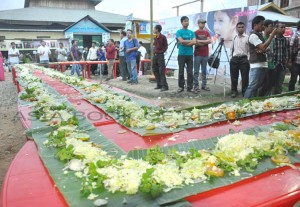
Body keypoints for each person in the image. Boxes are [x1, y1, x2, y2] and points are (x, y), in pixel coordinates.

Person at [244, 15, 277, 99]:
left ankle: (253, 103)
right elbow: (263, 47)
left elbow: (263, 49)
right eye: (262, 24)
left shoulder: (259, 35)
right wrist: (271, 36)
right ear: (255, 25)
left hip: (262, 64)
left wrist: (263, 49)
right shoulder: (253, 36)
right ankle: (244, 103)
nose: (263, 26)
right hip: (257, 66)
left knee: (258, 87)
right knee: (252, 87)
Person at [176, 16, 196, 93]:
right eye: (185, 21)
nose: (186, 22)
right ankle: (181, 87)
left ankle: (190, 87)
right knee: (181, 71)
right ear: (182, 22)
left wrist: (185, 42)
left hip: (190, 54)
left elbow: (194, 42)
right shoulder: (179, 32)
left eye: (187, 21)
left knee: (190, 72)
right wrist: (189, 42)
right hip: (181, 54)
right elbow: (181, 41)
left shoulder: (192, 32)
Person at [229, 22, 250, 98]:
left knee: (245, 77)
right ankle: (234, 91)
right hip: (234, 59)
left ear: (244, 28)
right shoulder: (234, 37)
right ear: (236, 28)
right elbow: (231, 48)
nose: (240, 28)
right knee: (234, 77)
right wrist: (231, 58)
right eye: (239, 27)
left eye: (242, 27)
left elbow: (249, 50)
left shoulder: (247, 37)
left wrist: (248, 59)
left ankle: (244, 92)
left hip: (244, 59)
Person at [193, 18, 211, 94]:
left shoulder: (207, 32)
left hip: (205, 54)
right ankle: (196, 86)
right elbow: (195, 42)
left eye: (204, 23)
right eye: (201, 23)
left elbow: (209, 41)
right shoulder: (195, 33)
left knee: (204, 71)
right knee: (196, 71)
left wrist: (199, 41)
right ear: (198, 24)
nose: (203, 24)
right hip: (197, 54)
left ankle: (204, 85)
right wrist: (204, 42)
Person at [259, 20, 276, 96]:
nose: (272, 28)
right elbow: (259, 50)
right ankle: (260, 98)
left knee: (270, 84)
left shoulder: (272, 38)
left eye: (273, 26)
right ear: (265, 27)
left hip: (272, 64)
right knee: (264, 84)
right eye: (271, 26)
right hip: (264, 65)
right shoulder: (261, 37)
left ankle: (267, 99)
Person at [272, 22, 290, 95]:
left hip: (282, 65)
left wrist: (287, 62)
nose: (283, 29)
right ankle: (271, 98)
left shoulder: (286, 40)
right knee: (272, 83)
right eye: (281, 27)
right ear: (276, 29)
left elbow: (287, 52)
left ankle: (278, 97)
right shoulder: (272, 39)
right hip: (273, 65)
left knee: (280, 83)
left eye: (284, 27)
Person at [152, 24, 169, 91]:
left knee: (161, 71)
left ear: (157, 30)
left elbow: (166, 46)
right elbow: (154, 46)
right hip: (155, 55)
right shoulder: (155, 37)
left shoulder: (163, 37)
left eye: (154, 28)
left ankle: (164, 86)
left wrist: (161, 52)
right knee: (155, 70)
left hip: (160, 56)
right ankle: (159, 84)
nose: (153, 30)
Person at [289, 20, 300, 91]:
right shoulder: (296, 35)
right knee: (293, 79)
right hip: (296, 62)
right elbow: (290, 47)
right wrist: (289, 60)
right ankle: (290, 94)